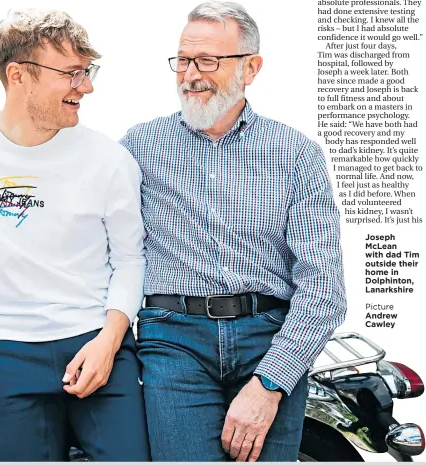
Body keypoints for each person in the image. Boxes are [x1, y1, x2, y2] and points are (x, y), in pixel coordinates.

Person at [120, 1, 347, 462]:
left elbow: (324, 286)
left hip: (268, 337)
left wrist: (270, 384)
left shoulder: (295, 152)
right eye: (183, 60)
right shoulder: (138, 147)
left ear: (252, 67)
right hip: (173, 339)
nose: (191, 74)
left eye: (208, 60)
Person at [0, 10, 150, 462]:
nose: (86, 86)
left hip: (98, 342)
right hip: (5, 353)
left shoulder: (109, 160)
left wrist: (109, 342)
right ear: (18, 75)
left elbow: (130, 260)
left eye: (87, 71)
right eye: (71, 73)